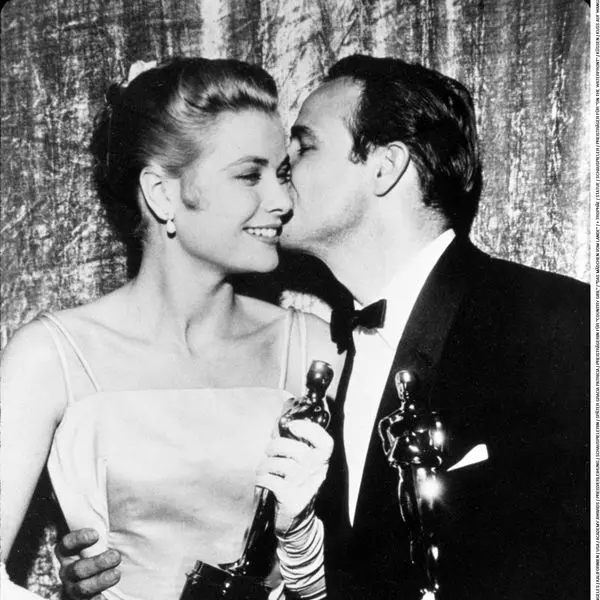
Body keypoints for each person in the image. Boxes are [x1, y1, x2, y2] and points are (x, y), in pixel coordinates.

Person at [56, 54, 590, 600]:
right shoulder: (327, 354)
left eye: (304, 148)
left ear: (385, 167)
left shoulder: (559, 324)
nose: (281, 176)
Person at [1, 57, 341, 600]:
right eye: (249, 175)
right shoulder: (50, 356)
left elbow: (369, 575)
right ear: (161, 193)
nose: (282, 201)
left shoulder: (317, 350)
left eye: (281, 174)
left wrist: (304, 551)